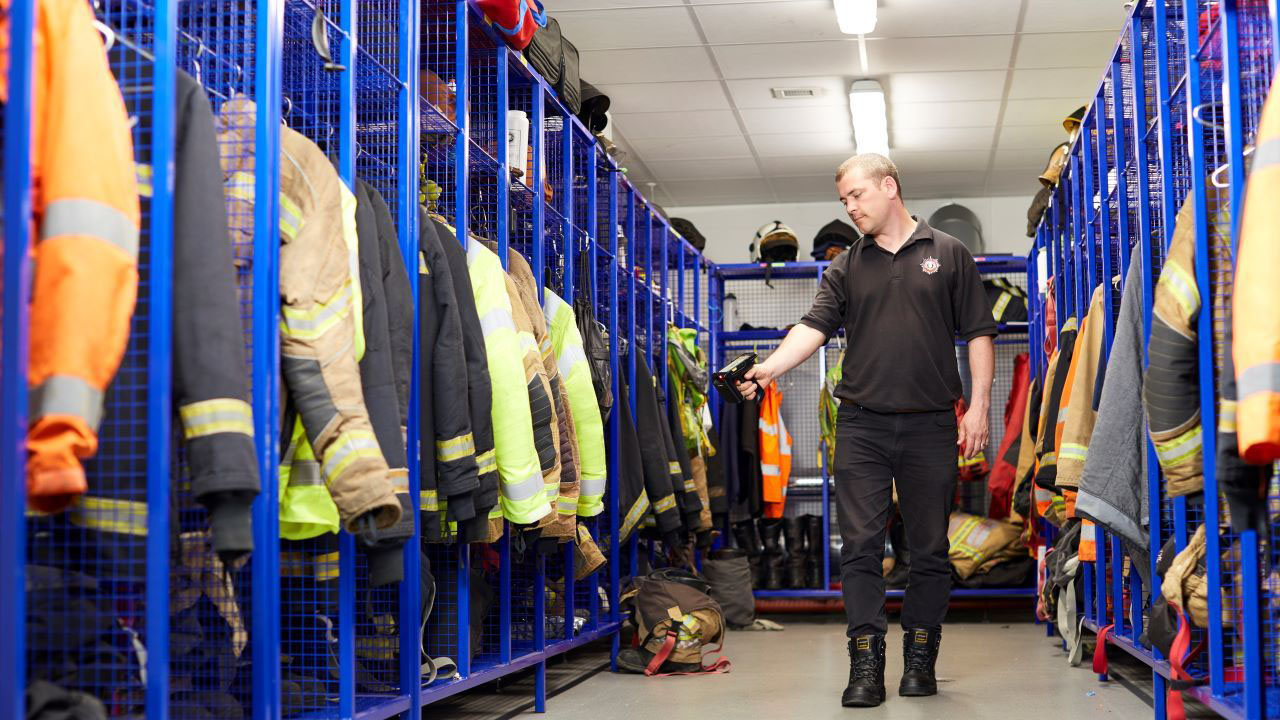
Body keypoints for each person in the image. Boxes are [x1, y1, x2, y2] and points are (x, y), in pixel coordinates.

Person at [736, 154, 996, 708]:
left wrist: (978, 407)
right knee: (859, 547)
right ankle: (866, 663)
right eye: (843, 200)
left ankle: (921, 659)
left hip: (931, 425)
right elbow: (812, 328)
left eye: (857, 195)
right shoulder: (845, 268)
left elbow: (977, 333)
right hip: (861, 426)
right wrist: (767, 369)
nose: (850, 207)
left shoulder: (948, 254)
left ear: (889, 186)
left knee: (928, 549)